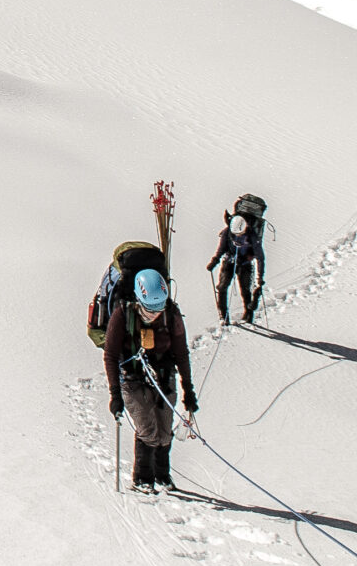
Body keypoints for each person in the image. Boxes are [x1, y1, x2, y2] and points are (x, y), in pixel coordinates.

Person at [105, 267, 197, 491]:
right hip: (132, 378)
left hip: (163, 377)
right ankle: (142, 479)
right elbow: (110, 355)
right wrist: (115, 394)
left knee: (164, 434)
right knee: (148, 431)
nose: (154, 314)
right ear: (138, 300)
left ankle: (162, 476)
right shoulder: (123, 314)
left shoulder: (171, 314)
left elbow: (181, 353)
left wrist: (188, 390)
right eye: (149, 309)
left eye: (159, 308)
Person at [208, 210, 265, 323]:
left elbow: (260, 257)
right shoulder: (227, 232)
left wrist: (260, 276)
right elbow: (221, 248)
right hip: (229, 262)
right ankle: (224, 316)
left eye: (240, 233)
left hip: (245, 264)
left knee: (245, 290)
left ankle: (248, 314)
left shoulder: (252, 235)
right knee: (222, 287)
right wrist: (215, 260)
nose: (238, 236)